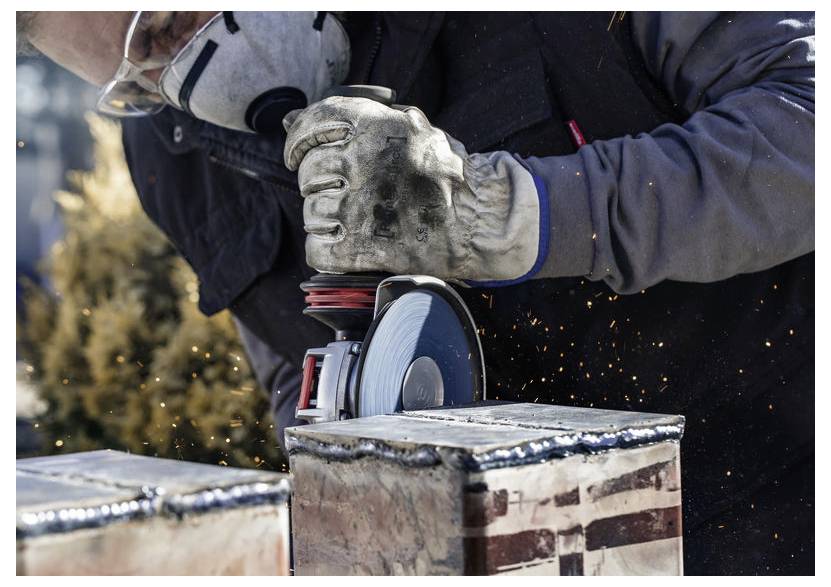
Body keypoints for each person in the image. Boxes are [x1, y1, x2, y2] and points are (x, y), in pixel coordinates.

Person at [18, 11, 814, 574]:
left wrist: (520, 212)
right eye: (141, 78)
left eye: (171, 22)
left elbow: (803, 132)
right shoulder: (171, 148)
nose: (182, 73)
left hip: (781, 503)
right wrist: (341, 482)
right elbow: (284, 349)